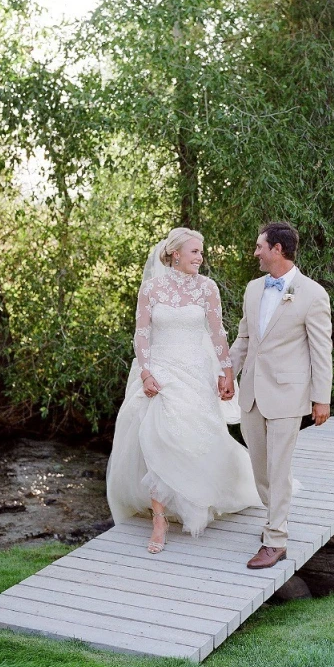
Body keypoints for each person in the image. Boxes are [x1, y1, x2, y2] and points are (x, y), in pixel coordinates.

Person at [106, 227, 260, 554]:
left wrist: (227, 372)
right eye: (194, 252)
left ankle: (196, 497)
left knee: (195, 439)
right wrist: (146, 373)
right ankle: (159, 519)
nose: (200, 258)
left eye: (201, 253)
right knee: (157, 437)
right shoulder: (151, 289)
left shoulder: (207, 288)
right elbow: (142, 334)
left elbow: (218, 334)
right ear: (176, 253)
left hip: (197, 374)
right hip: (160, 372)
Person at [229, 221, 333, 569]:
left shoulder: (313, 294)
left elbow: (321, 351)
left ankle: (276, 539)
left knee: (279, 467)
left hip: (289, 394)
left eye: (260, 246)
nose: (255, 252)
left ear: (277, 250)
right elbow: (244, 339)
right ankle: (274, 519)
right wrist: (226, 373)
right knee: (260, 467)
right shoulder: (253, 289)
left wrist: (322, 398)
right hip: (252, 392)